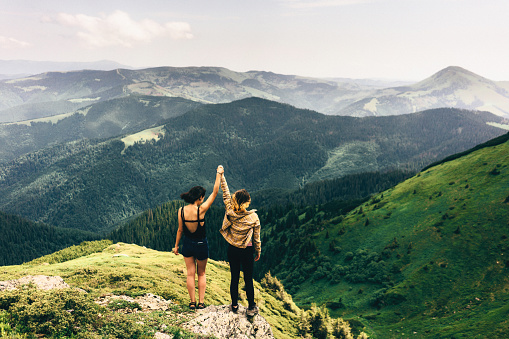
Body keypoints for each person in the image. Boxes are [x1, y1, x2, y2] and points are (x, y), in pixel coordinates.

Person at [173, 165, 223, 310]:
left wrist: (176, 246)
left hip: (187, 245)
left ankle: (192, 302)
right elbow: (214, 192)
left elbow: (180, 230)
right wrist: (218, 174)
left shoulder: (181, 210)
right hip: (201, 245)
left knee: (190, 274)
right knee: (201, 273)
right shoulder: (201, 210)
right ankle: (201, 303)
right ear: (200, 198)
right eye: (202, 197)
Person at [219, 168, 261, 316]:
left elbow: (225, 192)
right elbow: (256, 238)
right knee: (248, 279)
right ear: (247, 203)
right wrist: (258, 251)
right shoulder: (253, 218)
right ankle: (250, 307)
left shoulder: (230, 211)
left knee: (234, 278)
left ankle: (235, 305)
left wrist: (221, 176)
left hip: (233, 250)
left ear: (235, 200)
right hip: (247, 251)